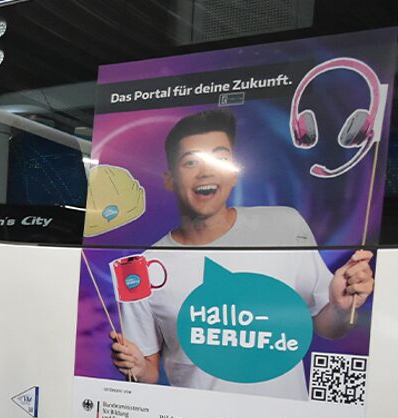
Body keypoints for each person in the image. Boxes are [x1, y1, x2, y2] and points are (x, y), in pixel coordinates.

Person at [110, 109, 375, 398]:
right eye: (190, 162)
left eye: (220, 159)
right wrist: (135, 368)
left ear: (234, 174)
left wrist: (340, 306)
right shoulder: (142, 269)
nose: (206, 171)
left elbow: (330, 328)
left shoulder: (286, 225)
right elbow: (147, 372)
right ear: (170, 179)